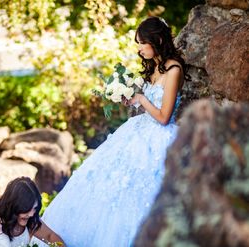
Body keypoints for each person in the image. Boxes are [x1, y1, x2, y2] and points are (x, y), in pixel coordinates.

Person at [31, 16, 189, 247]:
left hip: (159, 138)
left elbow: (164, 117)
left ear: (156, 40)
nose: (139, 48)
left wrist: (142, 99)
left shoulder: (174, 69)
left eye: (141, 43)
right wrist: (133, 101)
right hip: (139, 131)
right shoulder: (155, 67)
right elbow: (149, 108)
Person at [0, 177, 66, 247]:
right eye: (27, 209)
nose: (31, 214)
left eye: (35, 208)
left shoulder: (29, 219)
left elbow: (50, 236)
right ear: (13, 205)